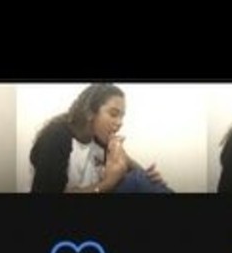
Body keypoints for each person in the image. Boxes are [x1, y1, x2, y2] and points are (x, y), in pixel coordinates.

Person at [29, 83, 174, 194]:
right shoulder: (55, 138)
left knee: (139, 178)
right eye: (113, 114)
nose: (120, 123)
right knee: (137, 180)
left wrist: (148, 175)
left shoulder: (100, 139)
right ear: (90, 112)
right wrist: (107, 184)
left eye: (121, 116)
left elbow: (129, 166)